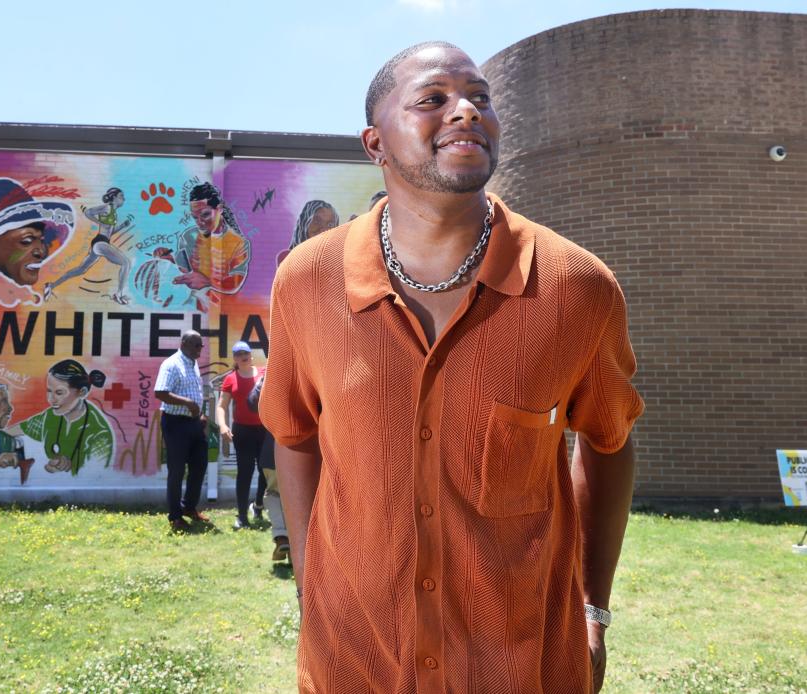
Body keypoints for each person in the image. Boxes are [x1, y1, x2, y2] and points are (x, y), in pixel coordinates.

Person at [260, 42, 644, 693]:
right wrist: (310, 592)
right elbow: (294, 437)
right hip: (353, 663)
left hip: (523, 666)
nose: (466, 111)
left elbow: (608, 443)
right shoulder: (305, 282)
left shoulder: (577, 287)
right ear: (375, 143)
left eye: (479, 98)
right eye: (433, 99)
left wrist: (592, 608)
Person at [4, 360, 114, 475]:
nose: (51, 399)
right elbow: (14, 431)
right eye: (49, 391)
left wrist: (68, 469)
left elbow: (97, 474)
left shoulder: (100, 434)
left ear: (82, 392)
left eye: (59, 393)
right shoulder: (49, 416)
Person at [155, 330, 211, 531]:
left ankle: (189, 507)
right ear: (185, 343)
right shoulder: (171, 364)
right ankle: (175, 516)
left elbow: (194, 391)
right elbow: (160, 392)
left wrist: (199, 413)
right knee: (177, 471)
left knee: (199, 465)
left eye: (201, 346)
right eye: (197, 345)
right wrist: (187, 403)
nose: (200, 350)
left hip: (194, 423)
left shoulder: (192, 363)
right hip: (175, 424)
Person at [44, 187, 134, 304]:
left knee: (81, 269)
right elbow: (88, 212)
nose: (124, 199)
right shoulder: (107, 207)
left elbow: (109, 232)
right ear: (113, 197)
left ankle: (51, 285)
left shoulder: (113, 212)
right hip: (100, 242)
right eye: (121, 196)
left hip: (101, 242)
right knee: (126, 262)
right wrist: (99, 222)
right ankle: (119, 294)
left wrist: (122, 226)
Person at [215, 341, 267, 530]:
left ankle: (258, 504)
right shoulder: (231, 379)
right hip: (242, 431)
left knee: (266, 471)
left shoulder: (264, 374)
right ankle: (242, 516)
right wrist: (222, 425)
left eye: (246, 352)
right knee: (245, 472)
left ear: (251, 355)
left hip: (264, 430)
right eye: (238, 354)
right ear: (235, 359)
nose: (243, 356)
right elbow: (221, 406)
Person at [173, 182, 250, 298]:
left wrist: (207, 282)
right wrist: (167, 261)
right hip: (192, 304)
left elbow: (236, 283)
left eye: (205, 215)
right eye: (195, 217)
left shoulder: (239, 243)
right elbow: (181, 272)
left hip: (223, 307)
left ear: (219, 209)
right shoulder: (188, 236)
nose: (199, 222)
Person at [247, 374, 289, 561]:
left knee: (274, 495)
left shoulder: (274, 373)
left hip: (277, 448)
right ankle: (295, 548)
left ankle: (282, 537)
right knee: (298, 497)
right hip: (305, 449)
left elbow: (252, 402)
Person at [276, 200, 340, 266]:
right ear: (304, 224)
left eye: (330, 225)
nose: (323, 229)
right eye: (317, 222)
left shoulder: (337, 260)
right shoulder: (287, 258)